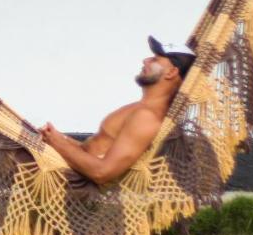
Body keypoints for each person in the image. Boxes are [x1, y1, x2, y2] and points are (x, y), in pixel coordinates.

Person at [38, 36, 195, 186]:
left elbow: (102, 173)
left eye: (154, 59)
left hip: (77, 184)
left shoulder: (147, 117)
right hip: (71, 169)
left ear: (171, 72)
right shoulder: (140, 109)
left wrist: (56, 143)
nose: (145, 60)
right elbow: (95, 149)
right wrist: (61, 138)